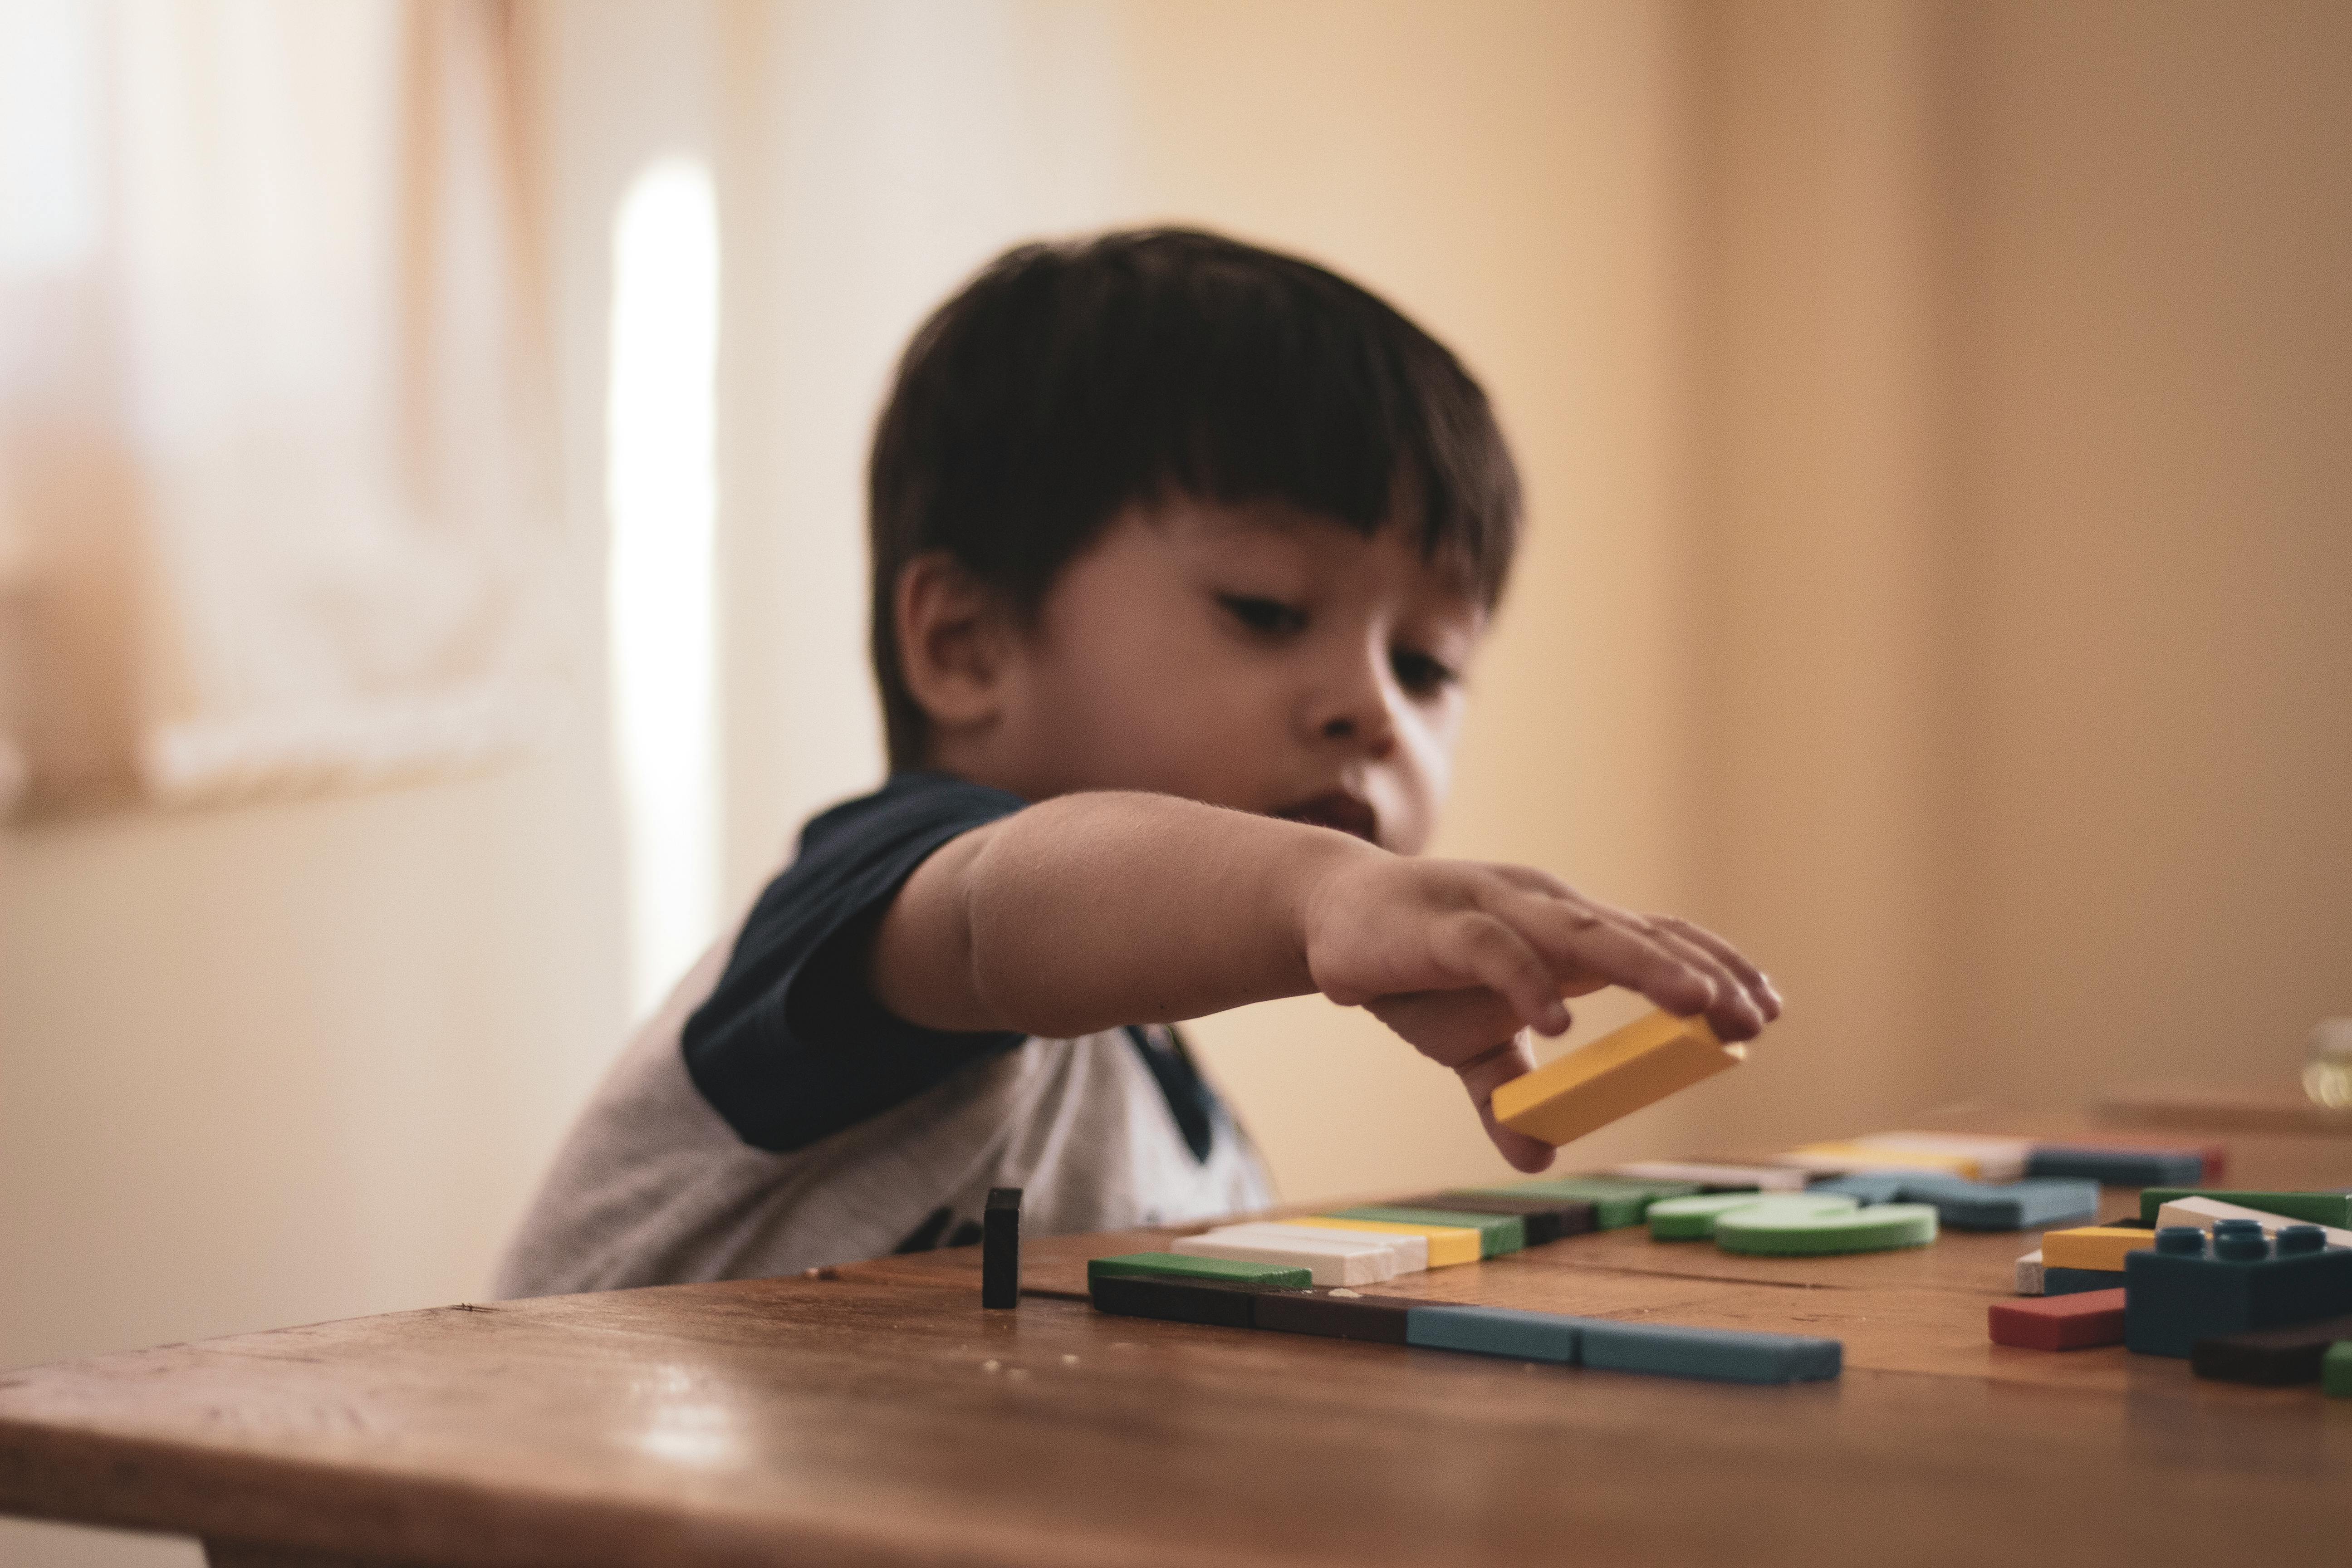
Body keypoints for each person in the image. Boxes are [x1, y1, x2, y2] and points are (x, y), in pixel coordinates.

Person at [495, 228, 1779, 1297]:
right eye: (1269, 611)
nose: (1373, 709)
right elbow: (1011, 913)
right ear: (968, 643)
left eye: (1429, 665)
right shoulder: (894, 911)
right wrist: (1318, 893)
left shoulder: (1192, 1139)